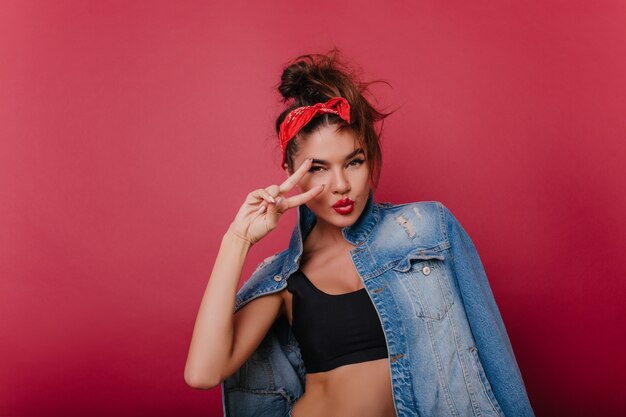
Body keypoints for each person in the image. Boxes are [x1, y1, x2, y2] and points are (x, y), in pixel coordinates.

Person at [184, 49, 535, 417]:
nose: (340, 185)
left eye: (353, 162)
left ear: (370, 157)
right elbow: (203, 373)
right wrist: (238, 240)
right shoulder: (283, 278)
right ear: (289, 170)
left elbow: (494, 356)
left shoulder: (428, 230)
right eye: (318, 168)